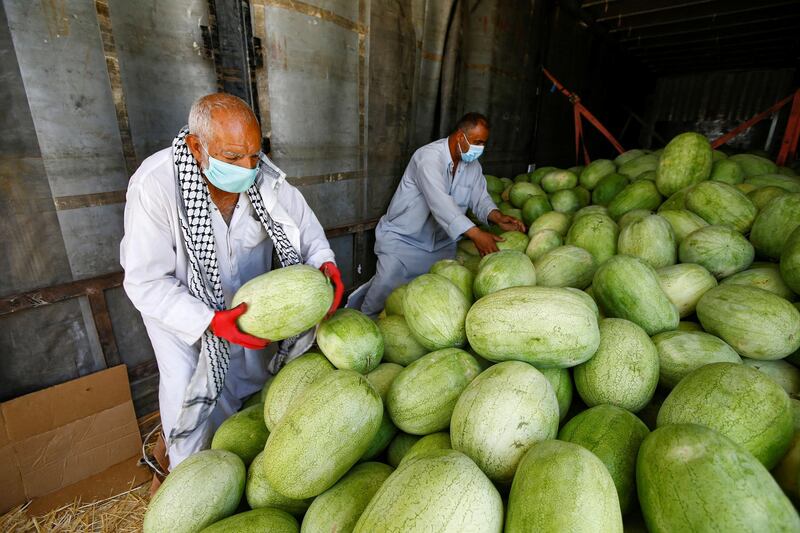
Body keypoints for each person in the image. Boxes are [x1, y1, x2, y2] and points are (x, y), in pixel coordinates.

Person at [120, 93, 343, 471]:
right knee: (192, 407)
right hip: (185, 322)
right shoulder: (155, 185)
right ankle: (179, 470)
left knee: (250, 390)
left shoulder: (263, 176)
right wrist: (208, 321)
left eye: (254, 155)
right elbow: (144, 281)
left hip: (248, 315)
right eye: (234, 157)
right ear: (196, 146)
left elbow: (305, 227)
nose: (248, 166)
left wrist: (325, 263)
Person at [358, 112, 524, 317]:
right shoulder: (428, 158)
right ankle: (364, 321)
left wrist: (497, 216)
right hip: (404, 241)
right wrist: (476, 234)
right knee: (381, 295)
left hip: (441, 246)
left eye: (483, 143)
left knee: (427, 304)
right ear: (459, 136)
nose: (480, 148)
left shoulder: (472, 166)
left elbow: (480, 197)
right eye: (477, 142)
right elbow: (440, 203)